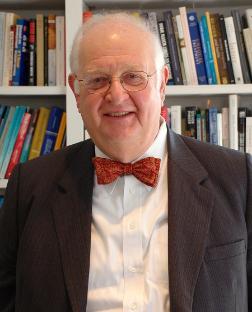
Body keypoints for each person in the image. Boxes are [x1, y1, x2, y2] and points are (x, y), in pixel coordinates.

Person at [0, 12, 251, 312]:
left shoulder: (239, 178)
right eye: (98, 80)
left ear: (161, 85)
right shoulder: (29, 185)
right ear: (76, 91)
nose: (116, 95)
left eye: (134, 77)